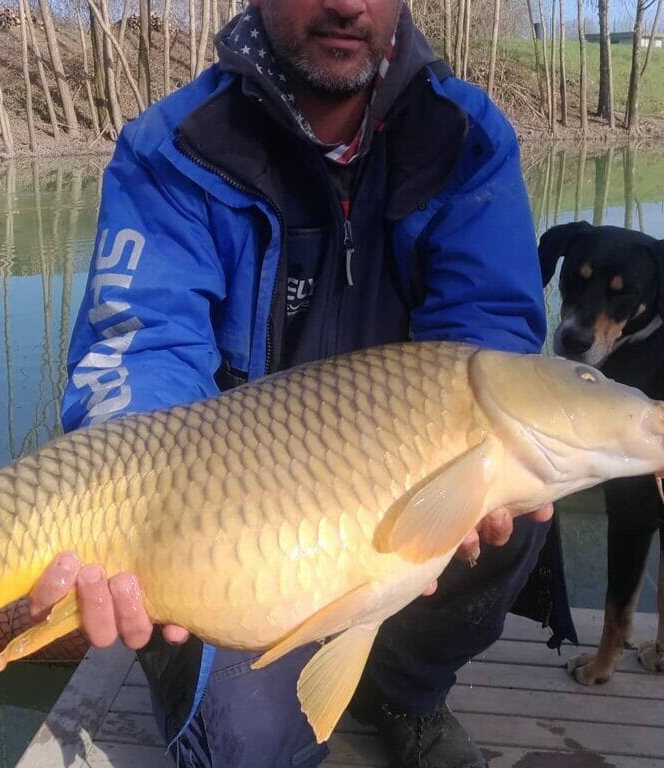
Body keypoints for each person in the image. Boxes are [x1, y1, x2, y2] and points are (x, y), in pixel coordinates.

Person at [30, 2, 576, 766]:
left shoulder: (464, 137)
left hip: (397, 490)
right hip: (234, 529)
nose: (348, 5)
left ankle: (406, 690)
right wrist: (121, 517)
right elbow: (140, 348)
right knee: (242, 747)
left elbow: (487, 337)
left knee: (521, 491)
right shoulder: (174, 150)